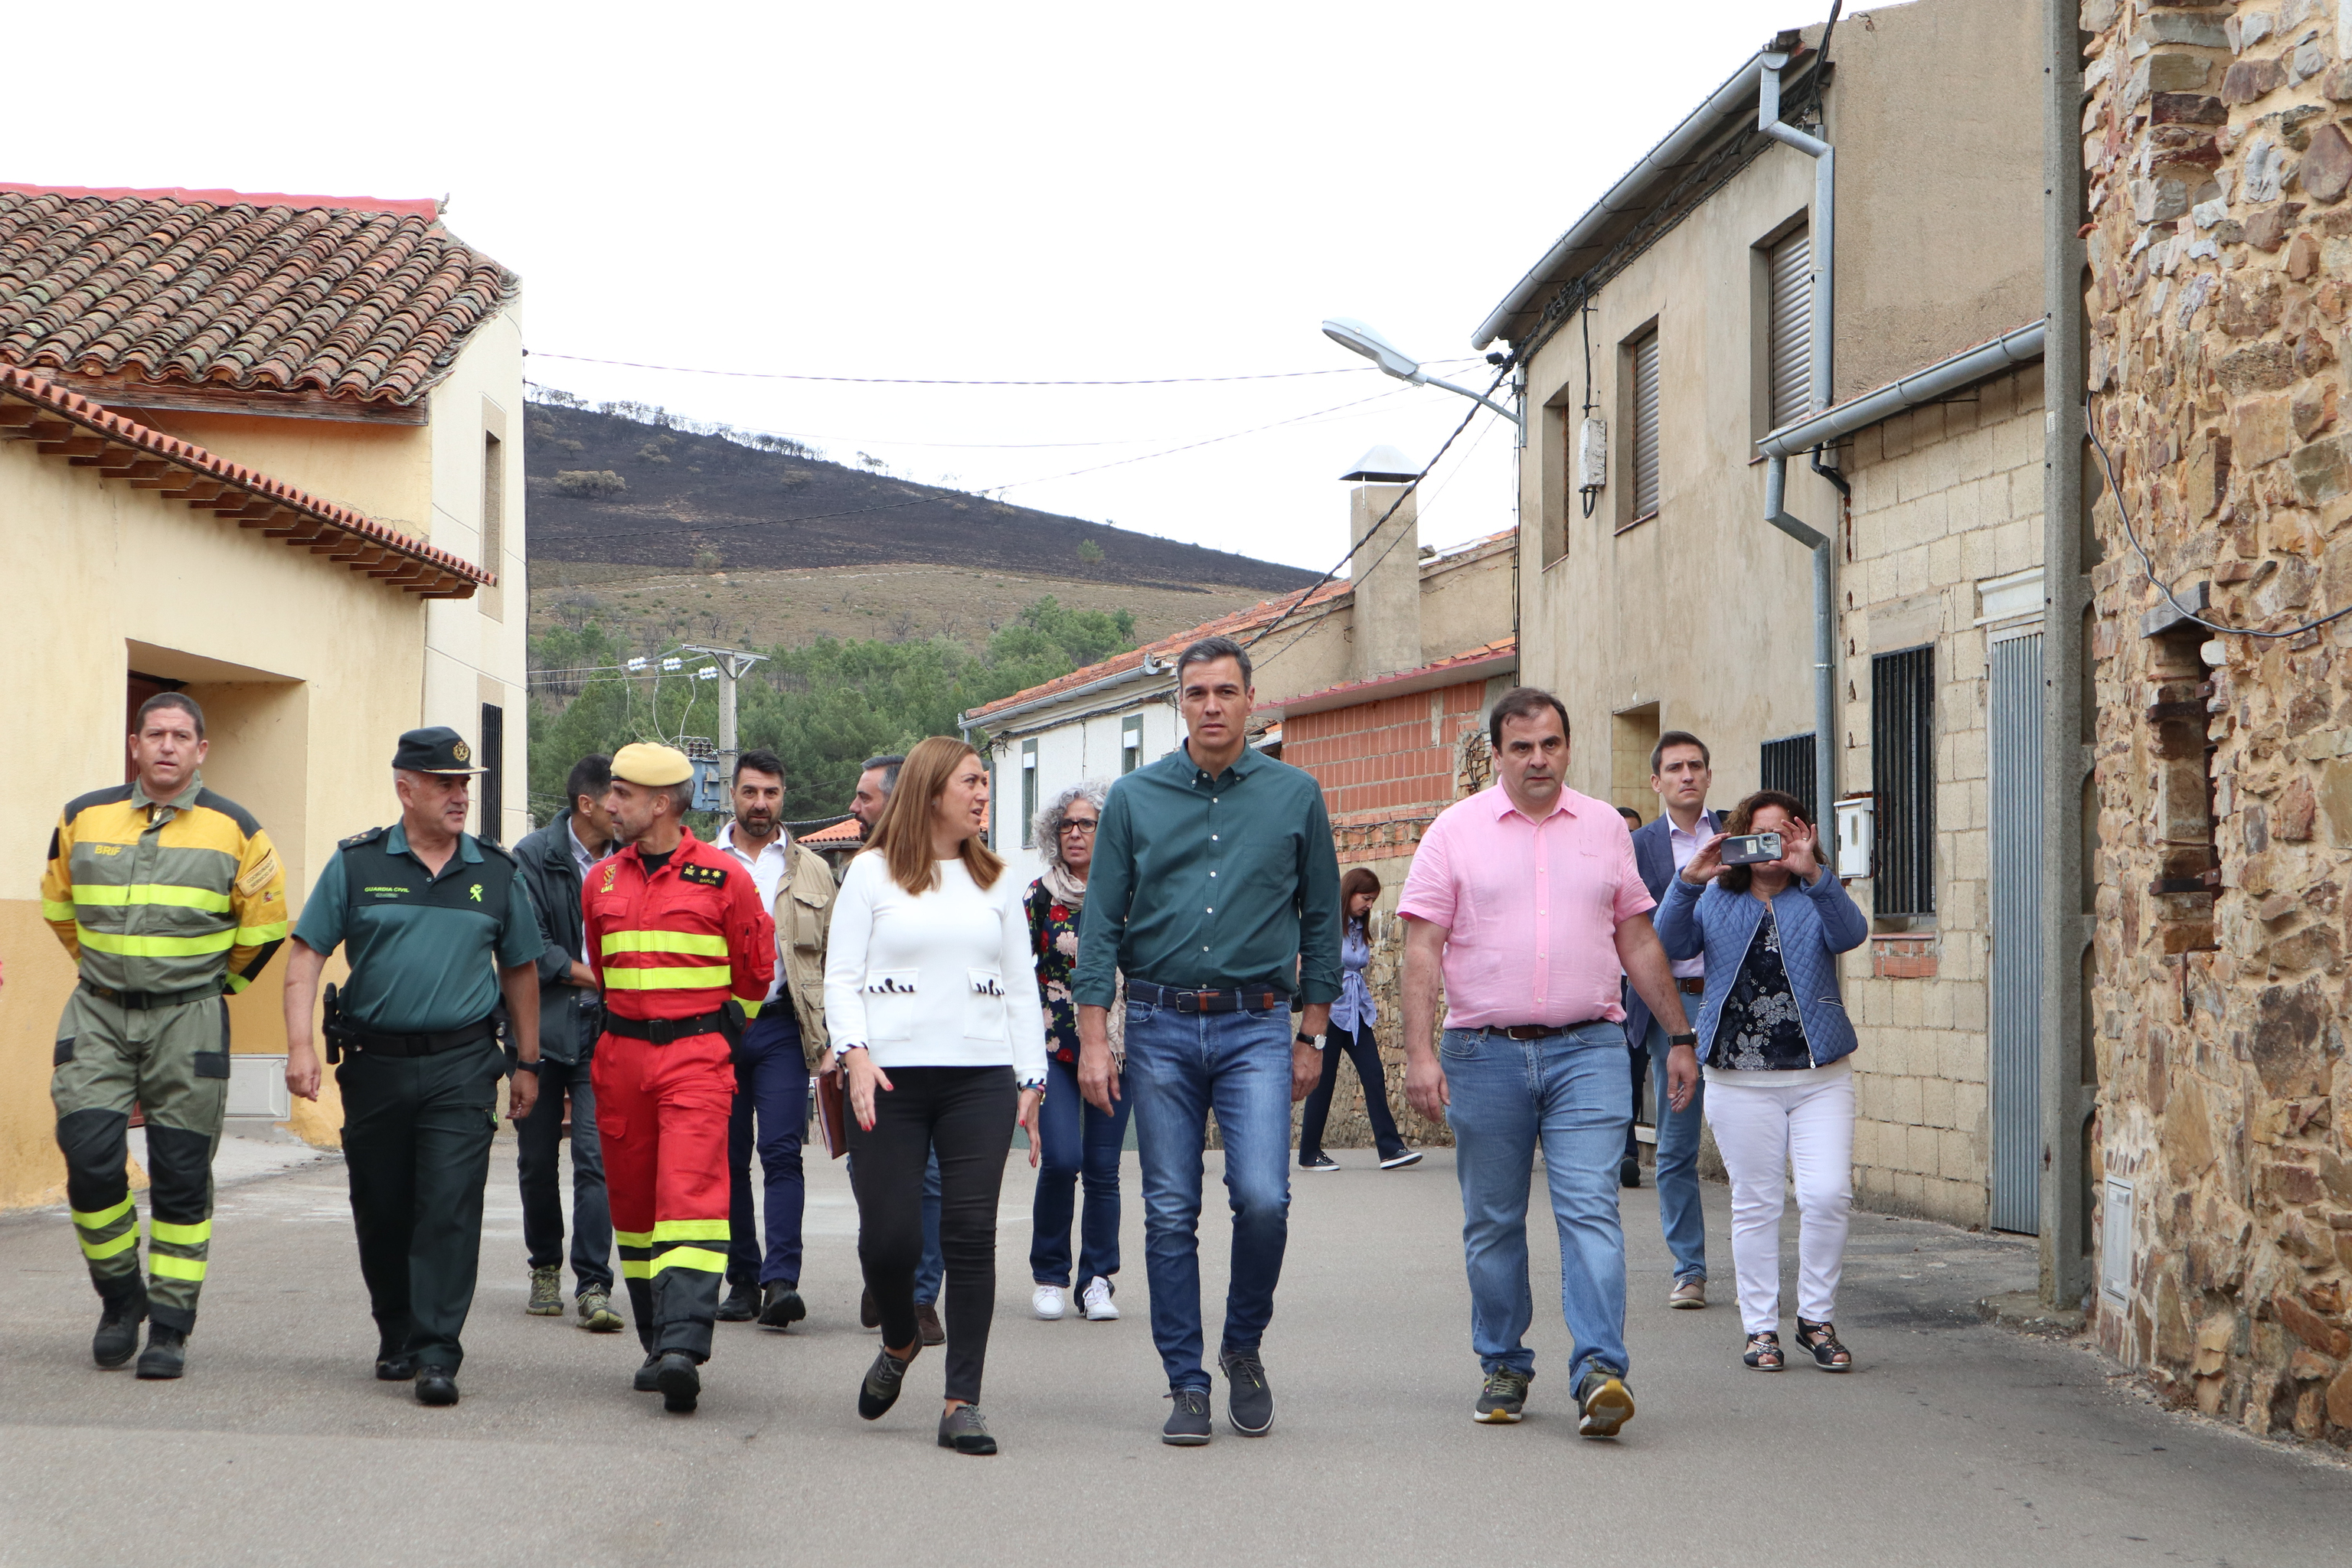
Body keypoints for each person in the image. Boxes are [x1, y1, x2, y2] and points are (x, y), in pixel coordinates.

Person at [1396, 688, 1697, 1437]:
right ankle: (1503, 1361)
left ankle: (1601, 1368)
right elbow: (1421, 949)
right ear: (1497, 753)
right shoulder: (1453, 832)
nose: (1539, 758)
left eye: (1551, 744)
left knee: (1590, 1205)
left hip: (1589, 1048)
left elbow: (1636, 937)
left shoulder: (1602, 827)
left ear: (1568, 747)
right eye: (1522, 746)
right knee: (1493, 1219)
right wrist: (1418, 1053)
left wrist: (1680, 1035)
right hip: (1484, 1054)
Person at [1074, 633, 1341, 1447]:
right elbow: (1100, 924)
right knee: (1168, 1209)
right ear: (1179, 702)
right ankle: (1186, 1381)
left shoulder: (1296, 795)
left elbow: (1323, 918)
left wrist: (1313, 1033)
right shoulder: (1133, 797)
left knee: (1264, 1196)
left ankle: (1243, 1346)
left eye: (1227, 691)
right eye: (1197, 693)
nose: (1213, 705)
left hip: (1259, 1020)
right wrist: (1094, 1037)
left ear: (1251, 700)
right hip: (1156, 1023)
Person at [282, 727, 544, 1406]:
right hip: (375, 1065)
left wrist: (527, 1061)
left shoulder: (494, 871)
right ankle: (395, 1331)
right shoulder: (357, 864)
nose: (460, 797)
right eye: (445, 784)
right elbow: (307, 952)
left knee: (449, 1206)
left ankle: (437, 1351)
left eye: (465, 785)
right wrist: (301, 1045)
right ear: (406, 789)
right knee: (384, 1204)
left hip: (462, 1065)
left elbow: (519, 968)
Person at [43, 691, 288, 1380]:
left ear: (201, 750)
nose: (168, 746)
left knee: (181, 1176)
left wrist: (209, 987)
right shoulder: (81, 818)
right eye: (155, 734)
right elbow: (60, 905)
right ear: (135, 744)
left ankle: (171, 1326)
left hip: (190, 1016)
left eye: (182, 736)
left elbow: (265, 927)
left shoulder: (236, 828)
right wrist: (107, 970)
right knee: (89, 1158)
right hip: (97, 1012)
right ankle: (121, 1296)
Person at [824, 737, 1047, 1456]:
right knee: (888, 1241)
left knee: (969, 1236)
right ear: (929, 791)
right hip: (889, 1077)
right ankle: (897, 1340)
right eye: (971, 782)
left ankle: (962, 1403)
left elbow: (1021, 986)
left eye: (986, 782)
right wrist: (855, 1053)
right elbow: (841, 976)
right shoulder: (870, 874)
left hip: (978, 1079)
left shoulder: (999, 880)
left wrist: (1032, 1079)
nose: (983, 794)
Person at [580, 742, 775, 1413]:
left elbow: (754, 976)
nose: (610, 804)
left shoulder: (728, 880)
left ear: (660, 804)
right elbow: (604, 977)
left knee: (689, 1195)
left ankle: (685, 1347)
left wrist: (720, 1036)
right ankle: (655, 1343)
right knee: (634, 1212)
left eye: (622, 794)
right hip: (620, 1060)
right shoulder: (599, 881)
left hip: (696, 1058)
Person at [1655, 789, 1867, 1374]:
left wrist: (1817, 873)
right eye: (1762, 835)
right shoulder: (1715, 902)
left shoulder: (1817, 894)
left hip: (1819, 1073)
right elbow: (1668, 945)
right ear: (1740, 841)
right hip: (1739, 1078)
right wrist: (1689, 881)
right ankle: (1759, 1329)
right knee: (1757, 1203)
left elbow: (1851, 934)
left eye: (1786, 833)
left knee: (1827, 1195)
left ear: (1803, 836)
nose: (1774, 846)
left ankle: (1815, 1319)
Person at [714, 749, 836, 1331]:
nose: (761, 804)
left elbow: (835, 959)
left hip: (784, 1027)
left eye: (771, 793)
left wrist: (836, 1038)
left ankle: (781, 1282)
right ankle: (741, 1279)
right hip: (717, 1028)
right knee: (727, 1158)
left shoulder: (813, 871)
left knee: (783, 1154)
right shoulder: (704, 863)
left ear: (784, 797)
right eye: (750, 792)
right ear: (731, 795)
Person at [510, 754, 623, 1334]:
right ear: (587, 804)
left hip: (606, 1034)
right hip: (543, 1030)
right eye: (615, 800)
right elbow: (533, 948)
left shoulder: (631, 860)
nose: (622, 811)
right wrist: (598, 976)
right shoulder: (533, 856)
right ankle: (544, 1266)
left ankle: (595, 1283)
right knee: (535, 1161)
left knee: (596, 1160)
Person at [1024, 781, 1132, 1322]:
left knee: (1103, 1167)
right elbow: (1020, 978)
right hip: (1054, 1046)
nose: (1074, 832)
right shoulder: (1037, 897)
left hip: (1119, 1046)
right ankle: (1049, 1274)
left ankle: (1097, 1280)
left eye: (1086, 824)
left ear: (1105, 831)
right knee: (1062, 1159)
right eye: (1066, 824)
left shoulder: (1129, 894)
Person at [1622, 730, 1722, 1308]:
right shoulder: (1639, 847)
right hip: (1673, 1005)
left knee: (1747, 1138)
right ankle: (1690, 1267)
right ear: (1657, 782)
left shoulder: (1736, 833)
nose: (1687, 775)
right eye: (1675, 768)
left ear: (1708, 776)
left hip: (1734, 999)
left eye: (1696, 766)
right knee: (1678, 1142)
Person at [849, 754, 945, 1347]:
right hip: (870, 1053)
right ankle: (885, 1268)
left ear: (900, 799)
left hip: (936, 1051)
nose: (855, 808)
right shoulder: (861, 872)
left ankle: (920, 1296)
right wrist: (843, 1044)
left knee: (929, 1178)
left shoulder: (952, 869)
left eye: (866, 798)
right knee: (874, 1176)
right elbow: (843, 970)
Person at [1297, 867, 1419, 1173]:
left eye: (1373, 900)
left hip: (1356, 1011)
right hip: (1329, 1012)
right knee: (1322, 1081)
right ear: (1349, 894)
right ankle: (1309, 1153)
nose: (1369, 905)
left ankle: (1390, 1149)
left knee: (1374, 1074)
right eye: (1365, 898)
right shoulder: (1327, 925)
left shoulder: (1357, 928)